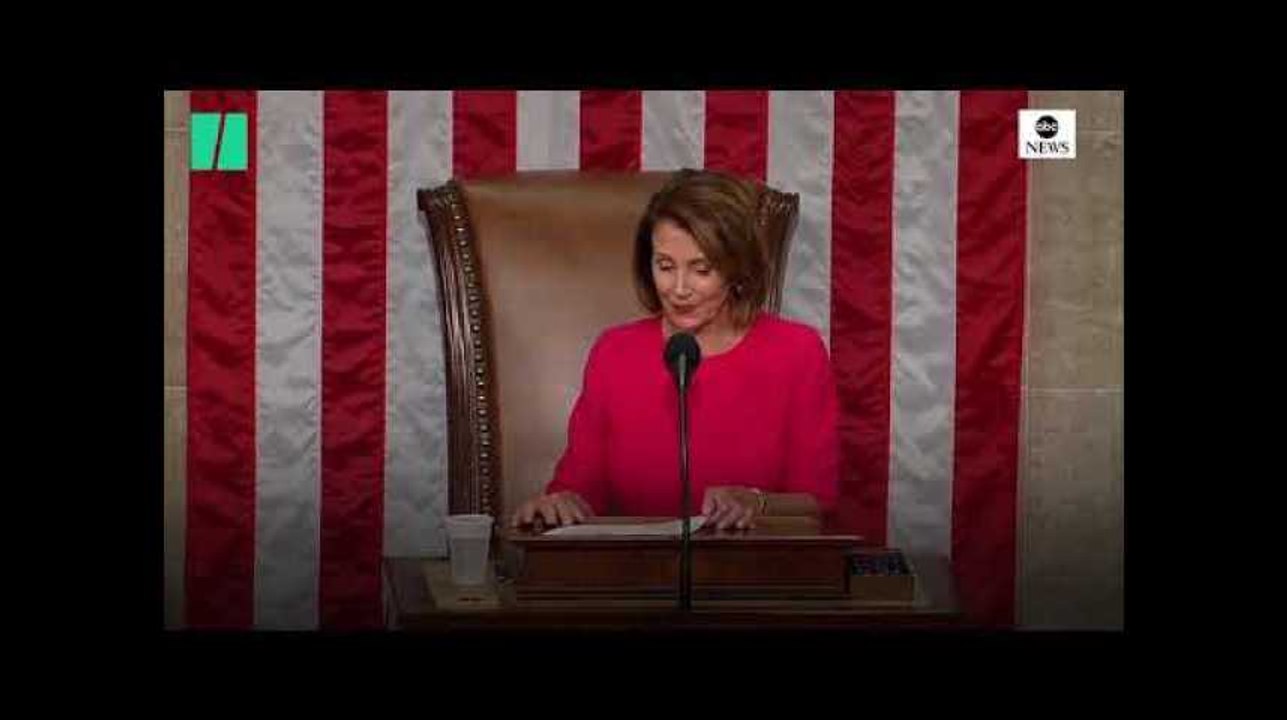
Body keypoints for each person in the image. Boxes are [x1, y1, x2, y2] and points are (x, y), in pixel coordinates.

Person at [510, 169, 839, 531]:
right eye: (665, 266)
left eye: (701, 269)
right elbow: (579, 488)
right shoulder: (615, 353)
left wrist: (757, 502)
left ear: (737, 269)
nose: (679, 289)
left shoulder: (796, 352)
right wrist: (561, 502)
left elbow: (817, 502)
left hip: (755, 575)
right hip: (634, 575)